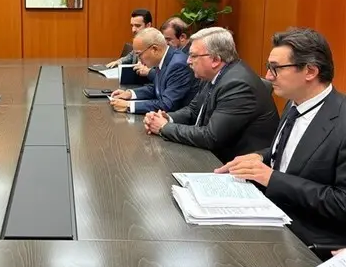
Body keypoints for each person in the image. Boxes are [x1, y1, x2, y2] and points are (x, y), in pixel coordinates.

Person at [215, 28, 346, 255]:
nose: (268, 76)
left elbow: (341, 203)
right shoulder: (294, 103)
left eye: (276, 68)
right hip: (273, 214)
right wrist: (261, 156)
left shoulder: (341, 120)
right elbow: (295, 152)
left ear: (310, 71)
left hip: (308, 240)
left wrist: (271, 178)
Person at [144, 27, 279, 163]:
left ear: (215, 60)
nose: (188, 61)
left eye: (193, 56)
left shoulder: (237, 85)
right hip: (211, 156)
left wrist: (164, 127)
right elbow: (193, 110)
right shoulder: (213, 74)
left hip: (235, 165)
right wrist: (166, 118)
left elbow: (211, 137)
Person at [109, 28, 197, 114]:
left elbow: (167, 105)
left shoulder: (178, 65)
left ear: (154, 49)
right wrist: (130, 94)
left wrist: (129, 105)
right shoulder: (163, 59)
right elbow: (157, 88)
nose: (139, 60)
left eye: (139, 54)